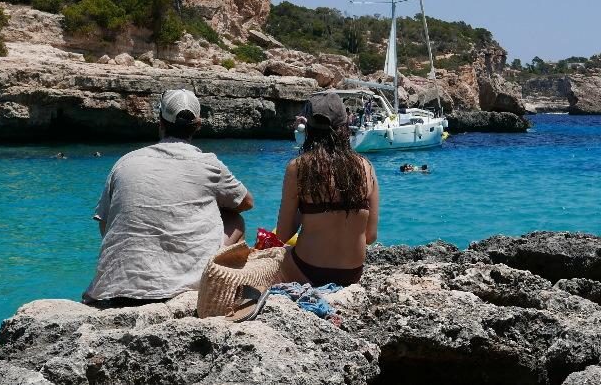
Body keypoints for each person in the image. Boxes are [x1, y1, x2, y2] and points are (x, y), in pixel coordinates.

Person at [83, 89, 254, 306]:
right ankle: (208, 282)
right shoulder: (209, 164)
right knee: (235, 219)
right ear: (197, 125)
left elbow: (105, 223)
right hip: (180, 288)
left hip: (115, 287)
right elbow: (246, 202)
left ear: (160, 123)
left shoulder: (125, 162)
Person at [275, 92, 379, 287]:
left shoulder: (298, 167)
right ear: (345, 125)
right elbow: (370, 237)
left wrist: (302, 211)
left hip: (307, 270)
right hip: (352, 274)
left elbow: (282, 235)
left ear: (307, 127)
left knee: (272, 260)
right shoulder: (366, 167)